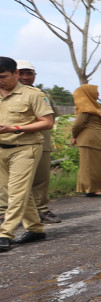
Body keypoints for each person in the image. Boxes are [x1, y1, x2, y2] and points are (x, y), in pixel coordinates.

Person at [0, 56, 55, 251]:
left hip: (26, 148)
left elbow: (47, 122)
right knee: (13, 191)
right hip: (2, 149)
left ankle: (5, 233)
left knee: (16, 192)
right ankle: (35, 229)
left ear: (15, 73)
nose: (0, 81)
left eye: (3, 76)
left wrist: (15, 128)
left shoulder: (34, 95)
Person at [15, 61, 59, 224]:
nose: (25, 77)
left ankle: (41, 210)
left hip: (41, 142)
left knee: (41, 179)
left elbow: (52, 117)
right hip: (12, 143)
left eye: (30, 73)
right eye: (21, 73)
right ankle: (5, 213)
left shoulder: (42, 94)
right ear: (13, 74)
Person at [70, 84, 101, 196]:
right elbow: (77, 125)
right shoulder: (86, 109)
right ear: (88, 94)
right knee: (90, 166)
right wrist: (74, 136)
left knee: (99, 164)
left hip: (93, 140)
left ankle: (97, 188)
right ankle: (93, 189)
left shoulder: (91, 107)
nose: (98, 94)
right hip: (89, 140)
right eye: (96, 92)